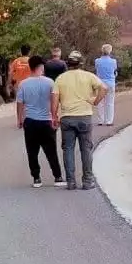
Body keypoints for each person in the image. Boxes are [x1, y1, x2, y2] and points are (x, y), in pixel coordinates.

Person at [52, 50, 109, 190]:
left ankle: (71, 182)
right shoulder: (89, 76)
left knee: (68, 150)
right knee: (86, 150)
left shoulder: (60, 78)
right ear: (81, 63)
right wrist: (96, 101)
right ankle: (87, 181)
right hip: (84, 116)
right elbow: (104, 88)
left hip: (67, 117)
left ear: (69, 64)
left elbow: (54, 99)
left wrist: (54, 115)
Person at [15, 55, 62, 187]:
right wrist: (55, 117)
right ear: (41, 67)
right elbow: (54, 101)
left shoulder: (23, 84)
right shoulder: (50, 82)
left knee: (32, 151)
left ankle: (36, 178)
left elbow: (19, 103)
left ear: (30, 67)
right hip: (46, 120)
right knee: (51, 150)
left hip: (30, 121)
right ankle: (57, 176)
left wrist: (19, 119)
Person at [94, 44, 119, 126]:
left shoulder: (97, 61)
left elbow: (97, 70)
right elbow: (114, 71)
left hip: (100, 83)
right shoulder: (113, 61)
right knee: (110, 103)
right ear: (110, 51)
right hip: (110, 83)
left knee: (100, 103)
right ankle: (109, 121)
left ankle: (100, 120)